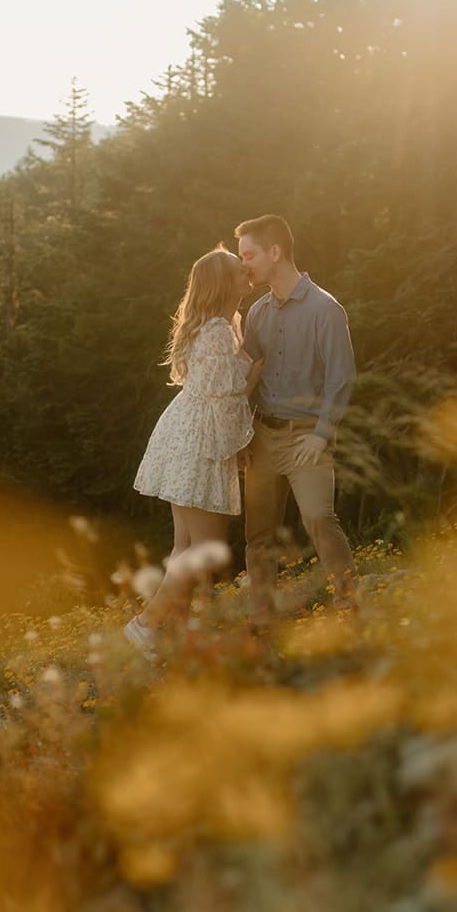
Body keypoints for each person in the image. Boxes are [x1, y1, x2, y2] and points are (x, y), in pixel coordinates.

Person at [125, 246, 262, 649]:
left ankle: (175, 634)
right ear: (224, 283)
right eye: (239, 269)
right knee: (203, 547)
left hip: (185, 434)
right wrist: (257, 373)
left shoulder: (223, 324)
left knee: (186, 545)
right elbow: (229, 393)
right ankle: (145, 625)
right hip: (200, 440)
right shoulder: (218, 329)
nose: (246, 272)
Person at [235, 214, 358, 629]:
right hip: (263, 438)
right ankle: (263, 620)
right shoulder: (255, 313)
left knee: (319, 517)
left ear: (275, 252)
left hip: (307, 438)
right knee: (259, 536)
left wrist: (322, 435)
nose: (243, 265)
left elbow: (342, 378)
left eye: (248, 255)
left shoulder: (325, 308)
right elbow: (246, 377)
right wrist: (241, 436)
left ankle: (349, 607)